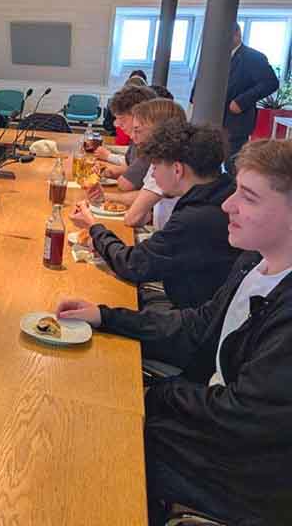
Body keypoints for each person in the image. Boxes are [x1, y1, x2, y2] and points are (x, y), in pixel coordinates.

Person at [57, 139, 292, 525]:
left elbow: (242, 415)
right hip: (215, 425)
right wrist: (105, 316)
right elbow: (196, 327)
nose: (228, 205)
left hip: (247, 478)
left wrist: (160, 394)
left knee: (103, 445)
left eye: (248, 197)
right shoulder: (255, 262)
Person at [69, 121, 240, 310]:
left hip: (187, 313)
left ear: (177, 170)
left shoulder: (195, 218)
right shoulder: (219, 195)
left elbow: (132, 265)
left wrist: (94, 228)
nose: (153, 177)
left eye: (155, 168)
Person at [90, 98, 187, 228]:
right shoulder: (167, 158)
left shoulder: (166, 165)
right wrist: (105, 196)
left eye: (138, 130)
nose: (132, 136)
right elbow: (144, 204)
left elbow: (132, 219)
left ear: (158, 132)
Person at [191, 22, 279, 157]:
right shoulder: (212, 56)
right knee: (203, 160)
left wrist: (241, 101)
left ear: (237, 34)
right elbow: (201, 78)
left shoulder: (253, 57)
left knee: (231, 162)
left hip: (235, 123)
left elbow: (271, 83)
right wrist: (194, 97)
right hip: (207, 121)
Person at [94, 83, 157, 188]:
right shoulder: (135, 139)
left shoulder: (148, 143)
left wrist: (110, 160)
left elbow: (126, 184)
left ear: (139, 116)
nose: (116, 124)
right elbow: (129, 166)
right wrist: (109, 172)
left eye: (122, 119)